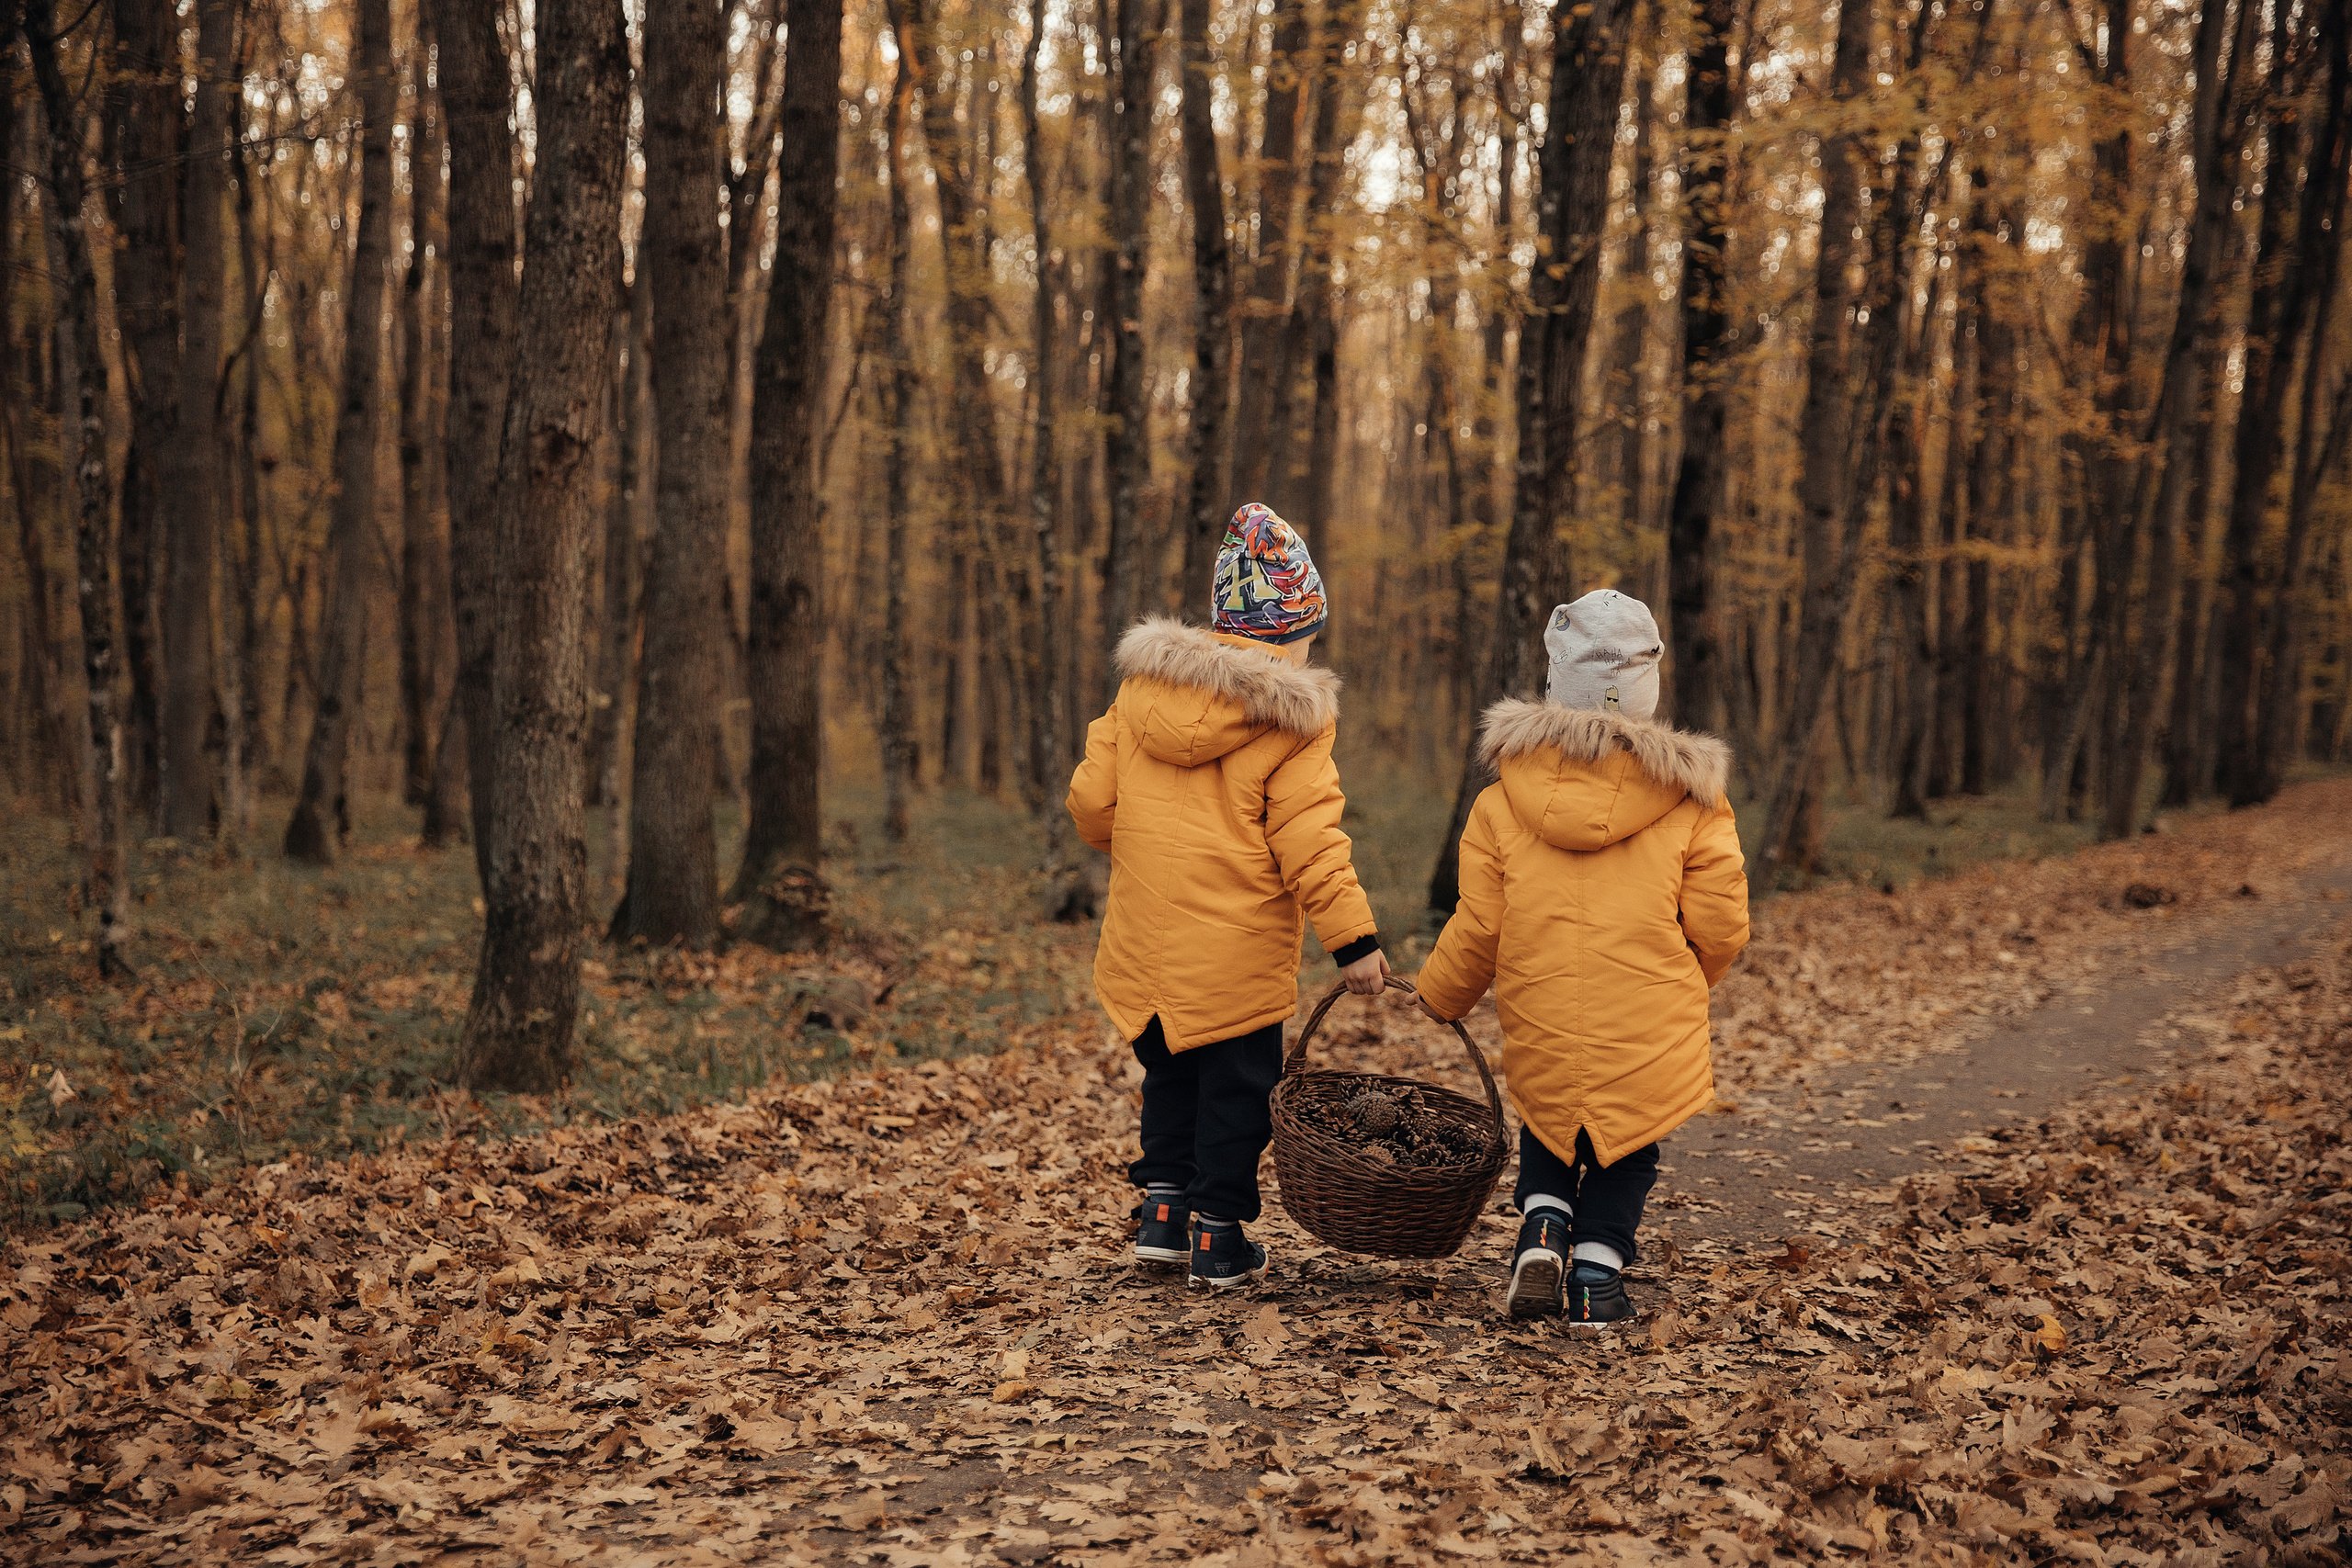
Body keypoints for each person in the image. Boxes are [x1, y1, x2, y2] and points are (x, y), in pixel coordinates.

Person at [1069, 503, 1390, 1292]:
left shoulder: (1139, 695)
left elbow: (1090, 805)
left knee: (1168, 1080)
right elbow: (1310, 841)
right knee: (1236, 1094)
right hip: (1237, 957)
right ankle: (1218, 1235)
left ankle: (1161, 1218)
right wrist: (1353, 941)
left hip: (1146, 945)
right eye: (1307, 633)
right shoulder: (1292, 721)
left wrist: (1140, 847)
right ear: (1284, 634)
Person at [1414, 589, 1749, 1325]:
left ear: (1554, 686)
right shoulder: (1692, 799)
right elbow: (1723, 922)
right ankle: (1597, 1278)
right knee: (1629, 1145)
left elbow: (1480, 924)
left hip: (1544, 1003)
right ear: (1647, 690)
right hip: (1648, 1007)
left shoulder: (1502, 802)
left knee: (1547, 1117)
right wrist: (1694, 975)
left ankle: (1541, 1225)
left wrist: (1440, 995)